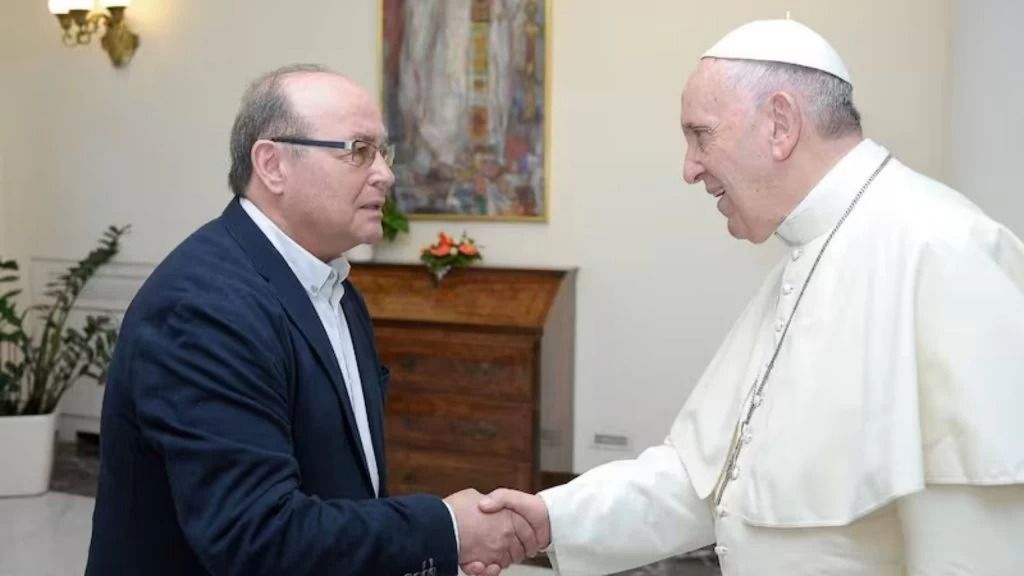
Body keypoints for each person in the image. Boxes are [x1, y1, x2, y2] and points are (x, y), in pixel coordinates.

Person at [473, 19, 1024, 576]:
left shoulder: (945, 251)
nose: (689, 168)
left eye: (701, 135)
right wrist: (551, 519)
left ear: (780, 124)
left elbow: (975, 553)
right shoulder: (804, 258)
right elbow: (701, 481)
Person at [85, 64, 541, 576]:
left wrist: (420, 553)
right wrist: (447, 530)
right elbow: (257, 537)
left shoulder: (336, 290)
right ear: (273, 165)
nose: (385, 173)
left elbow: (341, 488)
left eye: (383, 152)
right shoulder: (204, 307)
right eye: (358, 150)